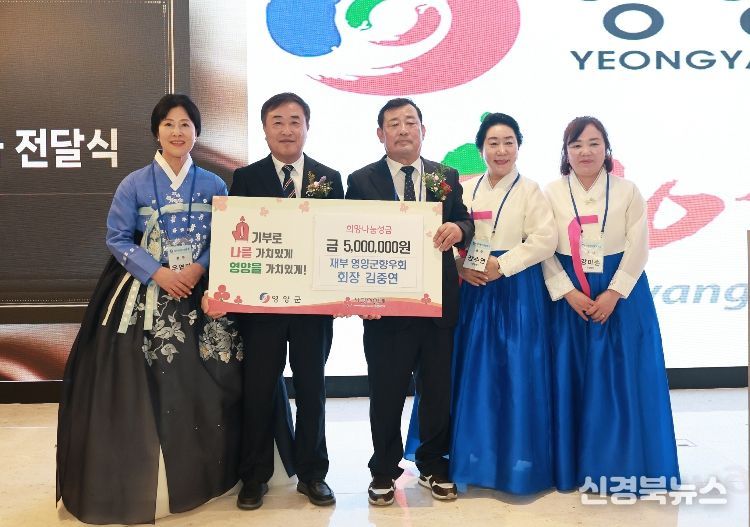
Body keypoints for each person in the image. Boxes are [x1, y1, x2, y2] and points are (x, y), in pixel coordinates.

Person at [56, 94, 267, 524]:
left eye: (186, 124)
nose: (177, 132)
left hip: (202, 289)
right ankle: (151, 484)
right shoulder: (133, 183)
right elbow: (117, 238)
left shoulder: (214, 184)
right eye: (169, 124)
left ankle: (214, 470)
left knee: (219, 375)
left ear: (197, 133)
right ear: (156, 131)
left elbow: (226, 237)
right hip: (146, 289)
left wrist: (199, 267)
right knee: (138, 381)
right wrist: (158, 272)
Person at [345, 98, 473, 506]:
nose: (403, 130)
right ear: (380, 133)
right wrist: (357, 296)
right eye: (393, 123)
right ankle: (384, 469)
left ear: (423, 130)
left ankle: (433, 464)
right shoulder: (361, 181)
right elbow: (348, 238)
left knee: (437, 392)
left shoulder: (445, 176)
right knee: (386, 393)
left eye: (410, 122)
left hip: (437, 307)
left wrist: (459, 229)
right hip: (387, 310)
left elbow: (466, 220)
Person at [541, 116, 680, 492]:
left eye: (593, 143)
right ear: (566, 152)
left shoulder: (627, 191)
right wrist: (567, 291)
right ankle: (573, 468)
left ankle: (625, 464)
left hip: (622, 295)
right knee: (572, 378)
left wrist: (614, 293)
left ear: (607, 149)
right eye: (576, 145)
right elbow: (542, 247)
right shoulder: (551, 193)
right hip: (570, 298)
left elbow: (639, 246)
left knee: (622, 380)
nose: (585, 152)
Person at [229, 92, 344, 510]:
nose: (287, 129)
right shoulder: (246, 177)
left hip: (312, 309)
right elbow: (233, 239)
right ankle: (254, 476)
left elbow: (337, 239)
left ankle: (313, 474)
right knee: (259, 390)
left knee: (312, 390)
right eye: (277, 121)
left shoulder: (329, 178)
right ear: (264, 129)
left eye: (295, 121)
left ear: (307, 127)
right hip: (262, 310)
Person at [445, 113, 557, 493]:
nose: (501, 150)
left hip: (515, 290)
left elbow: (544, 240)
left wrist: (502, 265)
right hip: (473, 288)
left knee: (515, 372)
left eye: (509, 142)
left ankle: (515, 458)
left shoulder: (531, 190)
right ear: (481, 149)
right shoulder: (465, 188)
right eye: (493, 143)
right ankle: (475, 455)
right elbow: (450, 234)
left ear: (519, 147)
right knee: (475, 373)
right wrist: (460, 266)